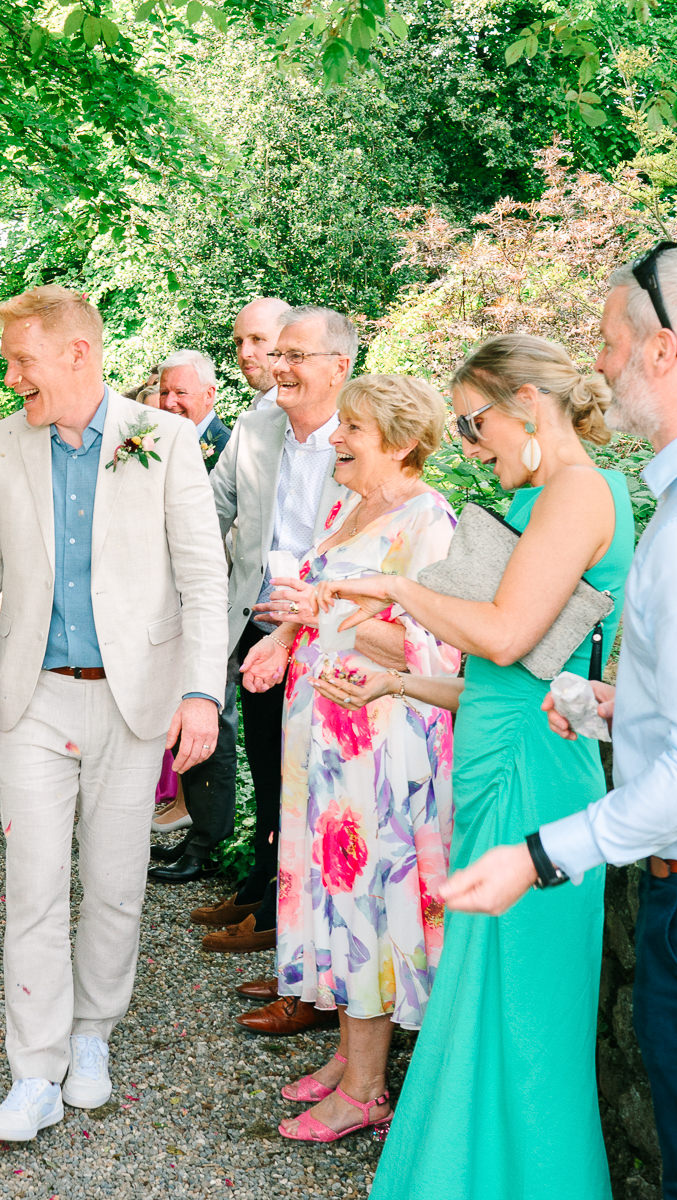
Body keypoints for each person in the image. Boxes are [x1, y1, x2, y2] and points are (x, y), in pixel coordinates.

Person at [438, 246, 677, 1200]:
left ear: (664, 350)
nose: (600, 366)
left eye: (612, 343)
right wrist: (625, 708)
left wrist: (540, 855)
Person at [302, 334, 632, 1195]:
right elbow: (496, 679)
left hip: (536, 775)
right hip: (498, 760)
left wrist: (394, 587)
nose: (472, 444)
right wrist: (397, 680)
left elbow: (505, 635)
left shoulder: (578, 491)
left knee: (521, 1021)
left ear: (528, 403)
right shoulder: (546, 498)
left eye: (475, 421)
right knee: (478, 1012)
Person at [0, 286, 227, 1142]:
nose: (12, 374)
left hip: (136, 701)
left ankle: (93, 1034)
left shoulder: (161, 440)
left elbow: (205, 580)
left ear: (77, 355)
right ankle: (33, 1069)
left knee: (115, 883)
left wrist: (202, 690)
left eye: (24, 359)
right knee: (32, 885)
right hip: (34, 694)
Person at [235, 374, 459, 1142]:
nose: (335, 438)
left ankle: (367, 1089)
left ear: (398, 441)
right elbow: (316, 601)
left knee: (363, 893)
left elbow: (436, 645)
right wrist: (280, 637)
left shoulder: (428, 522)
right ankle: (345, 1055)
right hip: (322, 728)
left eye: (352, 429)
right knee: (330, 890)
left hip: (377, 738)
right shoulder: (346, 505)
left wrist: (336, 619)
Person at [181, 308, 359, 1008]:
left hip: (334, 640)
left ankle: (308, 953)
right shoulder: (256, 428)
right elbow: (208, 508)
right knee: (268, 770)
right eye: (274, 353)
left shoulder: (363, 433)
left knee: (318, 789)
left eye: (295, 355)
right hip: (259, 627)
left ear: (339, 366)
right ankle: (265, 896)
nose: (277, 367)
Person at [145, 349, 232, 854]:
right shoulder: (150, 444)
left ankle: (207, 838)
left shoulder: (220, 447)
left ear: (209, 396)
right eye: (165, 392)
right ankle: (187, 815)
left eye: (182, 392)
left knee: (208, 713)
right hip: (164, 603)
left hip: (211, 600)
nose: (171, 402)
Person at [231, 297, 291, 411]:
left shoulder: (309, 413)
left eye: (257, 339)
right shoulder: (255, 409)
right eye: (239, 342)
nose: (244, 354)